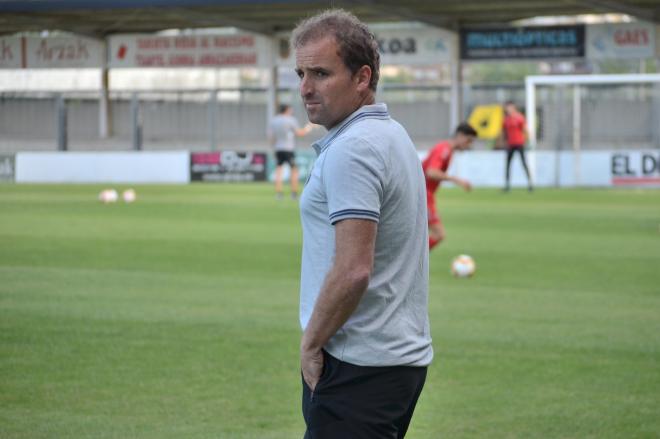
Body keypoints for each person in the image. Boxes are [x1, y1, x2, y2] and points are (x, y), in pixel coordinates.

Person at [293, 9, 432, 438]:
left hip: (358, 365)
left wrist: (311, 344)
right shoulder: (391, 134)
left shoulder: (355, 148)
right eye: (300, 73)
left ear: (362, 78)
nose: (305, 88)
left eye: (320, 73)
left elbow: (353, 268)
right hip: (392, 363)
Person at [423, 123, 477, 251]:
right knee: (438, 234)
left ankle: (413, 262)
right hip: (423, 195)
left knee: (419, 235)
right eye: (468, 141)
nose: (469, 145)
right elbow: (431, 172)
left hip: (423, 194)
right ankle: (414, 262)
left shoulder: (447, 150)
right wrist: (457, 180)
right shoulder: (444, 150)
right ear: (460, 136)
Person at [268, 104, 313, 199]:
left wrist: (273, 148)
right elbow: (300, 133)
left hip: (278, 149)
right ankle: (294, 193)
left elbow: (271, 137)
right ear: (287, 110)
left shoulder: (274, 120)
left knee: (279, 170)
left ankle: (279, 193)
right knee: (294, 170)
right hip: (288, 149)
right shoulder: (291, 120)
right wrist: (309, 127)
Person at [500, 101, 533, 192]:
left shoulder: (519, 118)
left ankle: (530, 184)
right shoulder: (506, 119)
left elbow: (525, 130)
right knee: (508, 164)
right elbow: (504, 132)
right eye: (507, 107)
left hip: (519, 143)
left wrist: (528, 141)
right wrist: (503, 143)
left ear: (514, 108)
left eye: (509, 107)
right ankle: (507, 185)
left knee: (524, 163)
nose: (508, 109)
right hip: (510, 144)